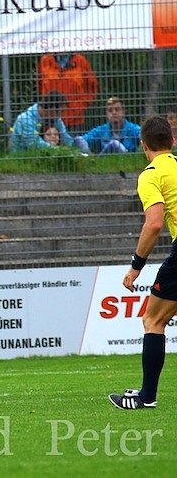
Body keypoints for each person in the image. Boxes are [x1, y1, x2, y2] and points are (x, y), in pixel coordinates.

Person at [109, 116, 177, 410]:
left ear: (143, 145)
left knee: (153, 320)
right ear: (172, 141)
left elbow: (153, 224)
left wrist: (135, 266)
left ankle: (146, 396)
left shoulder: (151, 174)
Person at [37, 52, 98, 129]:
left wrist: (79, 107)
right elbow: (40, 86)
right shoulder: (45, 61)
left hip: (74, 121)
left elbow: (91, 89)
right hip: (50, 121)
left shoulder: (81, 61)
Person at [10, 91, 75, 152]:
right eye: (61, 111)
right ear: (52, 108)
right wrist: (59, 150)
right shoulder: (25, 119)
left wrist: (74, 148)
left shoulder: (55, 118)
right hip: (24, 156)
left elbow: (65, 137)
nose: (61, 115)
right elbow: (33, 144)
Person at [74, 97, 140, 155]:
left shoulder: (133, 129)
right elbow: (82, 140)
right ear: (106, 114)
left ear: (123, 112)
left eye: (117, 109)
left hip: (128, 165)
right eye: (110, 110)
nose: (114, 113)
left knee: (115, 144)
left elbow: (145, 137)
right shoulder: (101, 130)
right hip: (104, 166)